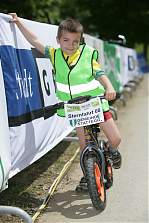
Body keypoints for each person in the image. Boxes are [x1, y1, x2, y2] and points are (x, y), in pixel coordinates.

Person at [9, 13, 122, 191]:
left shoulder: (87, 54)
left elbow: (100, 74)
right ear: (59, 40)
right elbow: (34, 40)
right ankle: (88, 177)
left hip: (95, 104)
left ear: (80, 41)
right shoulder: (54, 54)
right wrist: (19, 23)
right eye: (66, 40)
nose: (71, 45)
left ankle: (109, 152)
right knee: (84, 147)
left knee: (115, 139)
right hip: (76, 108)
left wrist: (109, 88)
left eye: (75, 41)